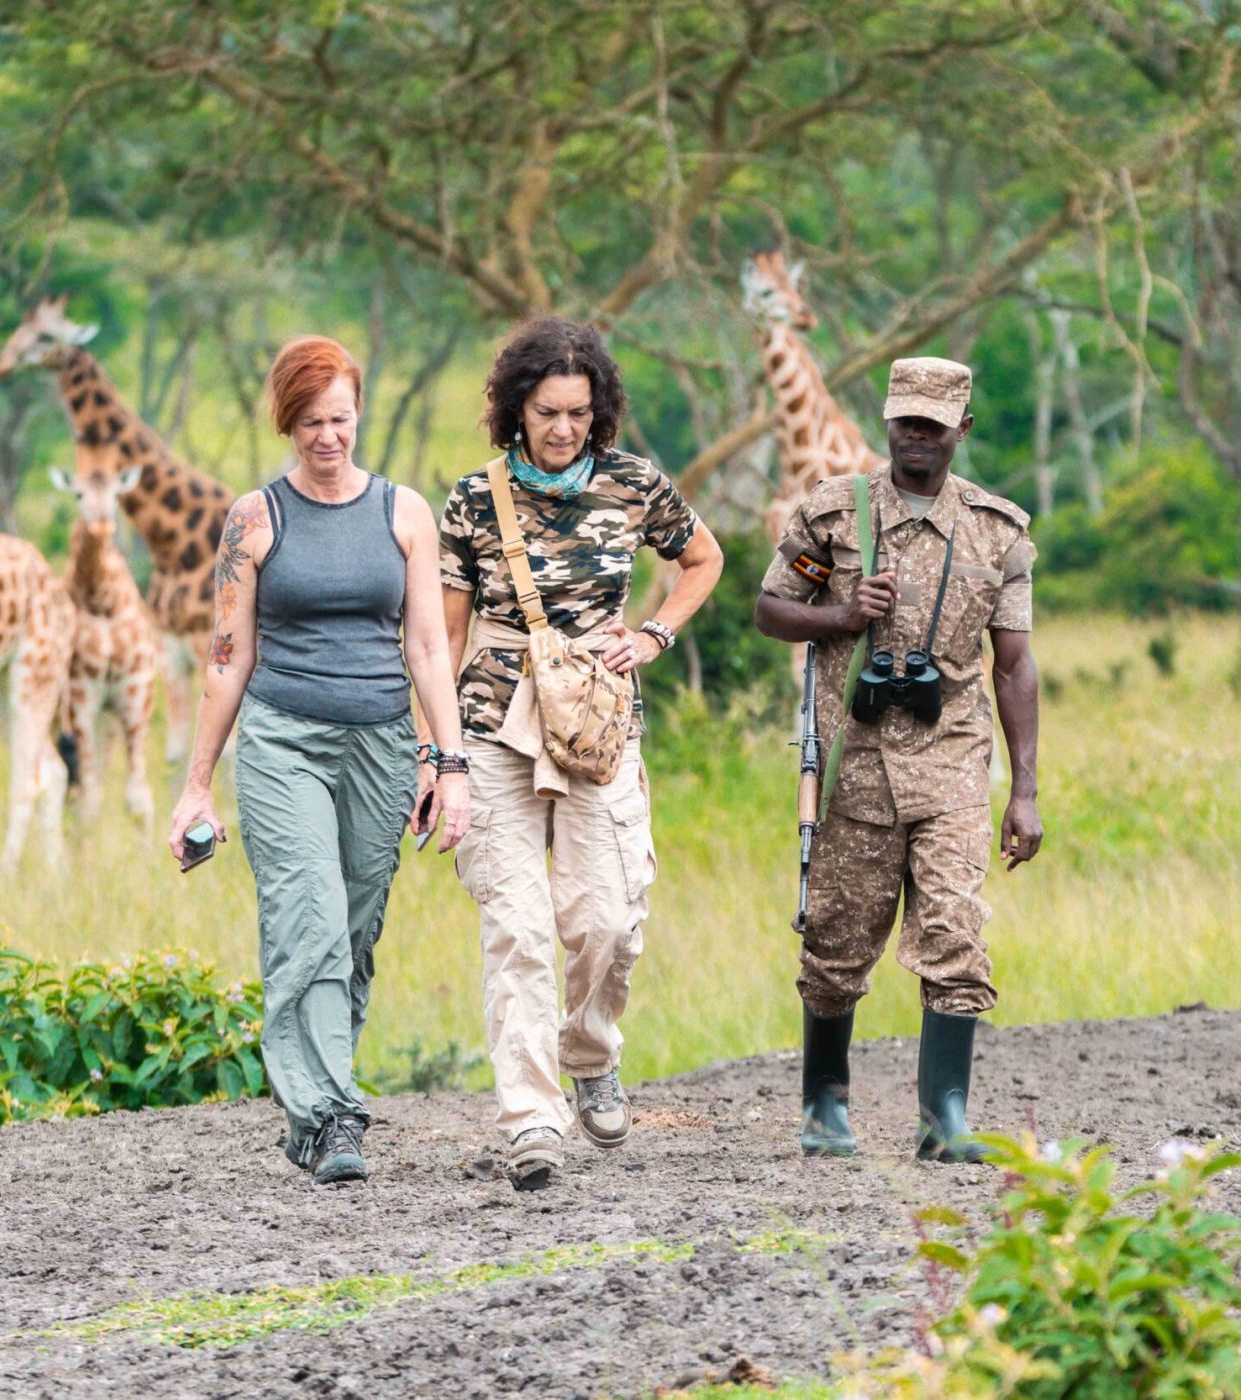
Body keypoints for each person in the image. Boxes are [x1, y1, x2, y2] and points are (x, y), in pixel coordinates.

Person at [419, 316, 723, 1189]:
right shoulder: (473, 501)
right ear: (517, 410)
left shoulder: (633, 484)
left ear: (600, 412)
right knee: (516, 928)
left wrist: (657, 633)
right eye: (547, 413)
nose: (562, 430)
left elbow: (703, 559)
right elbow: (438, 640)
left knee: (608, 921)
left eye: (579, 414)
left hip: (596, 724)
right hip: (493, 725)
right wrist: (436, 755)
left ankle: (589, 1054)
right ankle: (531, 1120)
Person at [169, 335, 471, 1186]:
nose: (327, 436)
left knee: (354, 929)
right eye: (309, 422)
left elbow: (426, 648)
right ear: (286, 422)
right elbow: (228, 657)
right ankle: (335, 1113)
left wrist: (448, 765)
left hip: (379, 742)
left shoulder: (405, 513)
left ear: (358, 414)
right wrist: (196, 786)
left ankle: (308, 1106)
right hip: (282, 743)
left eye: (339, 418)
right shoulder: (255, 519)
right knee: (308, 917)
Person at [755, 356, 1043, 1164]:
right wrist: (843, 614)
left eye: (933, 424)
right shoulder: (833, 514)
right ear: (887, 422)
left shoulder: (999, 532)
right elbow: (770, 610)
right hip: (852, 762)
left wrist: (1024, 792)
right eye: (904, 422)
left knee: (956, 931)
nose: (917, 439)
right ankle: (825, 1104)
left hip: (950, 762)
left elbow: (1015, 666)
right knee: (838, 941)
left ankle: (944, 1115)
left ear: (962, 429)